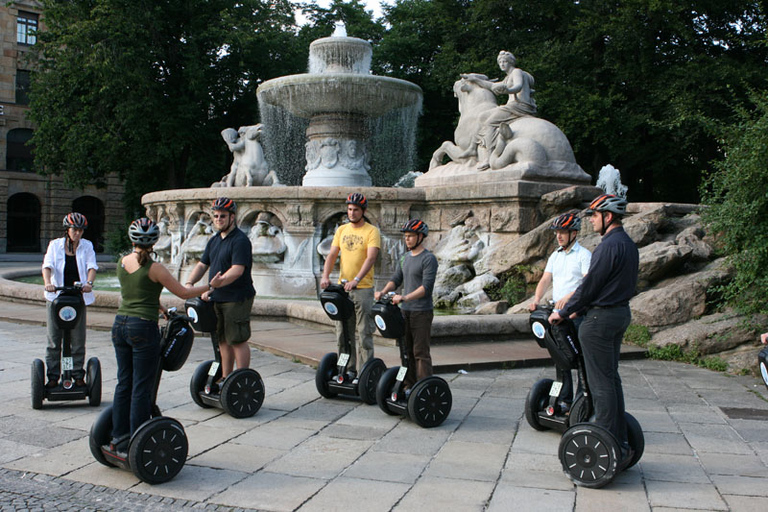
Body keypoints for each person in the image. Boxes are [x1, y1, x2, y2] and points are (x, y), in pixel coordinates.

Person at [549, 194, 639, 464]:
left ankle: (607, 438)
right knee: (611, 379)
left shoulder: (607, 246)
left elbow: (589, 287)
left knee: (600, 384)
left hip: (599, 322)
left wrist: (562, 312)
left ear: (608, 217)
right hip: (619, 314)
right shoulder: (628, 245)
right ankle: (620, 439)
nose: (591, 220)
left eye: (594, 216)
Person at [110, 218, 214, 449]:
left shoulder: (122, 262)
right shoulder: (155, 268)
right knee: (141, 385)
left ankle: (119, 435)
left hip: (119, 325)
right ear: (155, 241)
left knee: (123, 383)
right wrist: (210, 286)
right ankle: (138, 437)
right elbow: (184, 293)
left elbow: (139, 293)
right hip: (142, 328)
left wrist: (163, 310)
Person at [185, 197, 256, 382]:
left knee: (237, 339)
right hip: (218, 297)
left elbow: (237, 270)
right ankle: (226, 377)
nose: (218, 219)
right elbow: (202, 265)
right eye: (215, 216)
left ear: (232, 217)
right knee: (222, 339)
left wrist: (218, 282)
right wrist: (189, 284)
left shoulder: (240, 241)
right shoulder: (214, 240)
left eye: (222, 216)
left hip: (236, 297)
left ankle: (242, 379)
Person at [529, 211, 591, 411]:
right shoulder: (555, 256)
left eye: (563, 232)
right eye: (557, 232)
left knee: (581, 359)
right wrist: (536, 299)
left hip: (576, 315)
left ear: (574, 233)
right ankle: (564, 400)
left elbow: (587, 283)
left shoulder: (584, 255)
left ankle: (583, 399)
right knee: (560, 357)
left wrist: (570, 297)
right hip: (557, 315)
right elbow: (546, 279)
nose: (559, 236)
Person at [320, 192, 381, 376]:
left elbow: (371, 258)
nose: (352, 213)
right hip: (342, 289)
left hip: (363, 289)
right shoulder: (342, 230)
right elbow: (331, 255)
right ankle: (346, 369)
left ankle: (365, 373)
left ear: (363, 211)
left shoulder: (371, 231)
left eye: (355, 210)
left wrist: (356, 280)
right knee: (343, 333)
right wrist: (325, 276)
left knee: (363, 333)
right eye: (349, 209)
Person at [375, 219, 438, 391]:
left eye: (411, 236)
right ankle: (408, 386)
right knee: (406, 351)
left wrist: (404, 298)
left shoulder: (428, 259)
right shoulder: (405, 258)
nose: (407, 239)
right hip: (405, 312)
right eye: (406, 236)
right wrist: (383, 292)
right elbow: (396, 279)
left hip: (421, 312)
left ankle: (425, 388)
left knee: (420, 353)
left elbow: (426, 288)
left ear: (420, 237)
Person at [42, 212, 99, 389]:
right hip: (56, 297)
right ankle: (53, 376)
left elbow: (92, 266)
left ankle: (77, 375)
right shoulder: (55, 245)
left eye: (81, 230)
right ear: (67, 229)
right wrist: (48, 283)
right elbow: (47, 266)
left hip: (77, 297)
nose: (78, 234)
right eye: (75, 230)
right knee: (54, 339)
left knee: (78, 338)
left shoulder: (87, 246)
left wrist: (89, 283)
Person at [469, 51, 537, 170]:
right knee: (483, 116)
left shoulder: (516, 72)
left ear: (510, 62)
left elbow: (518, 86)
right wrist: (474, 79)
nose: (502, 64)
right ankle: (484, 146)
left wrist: (507, 90)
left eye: (505, 61)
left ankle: (488, 157)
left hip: (519, 105)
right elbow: (490, 86)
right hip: (512, 105)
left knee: (490, 122)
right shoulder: (507, 77)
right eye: (500, 62)